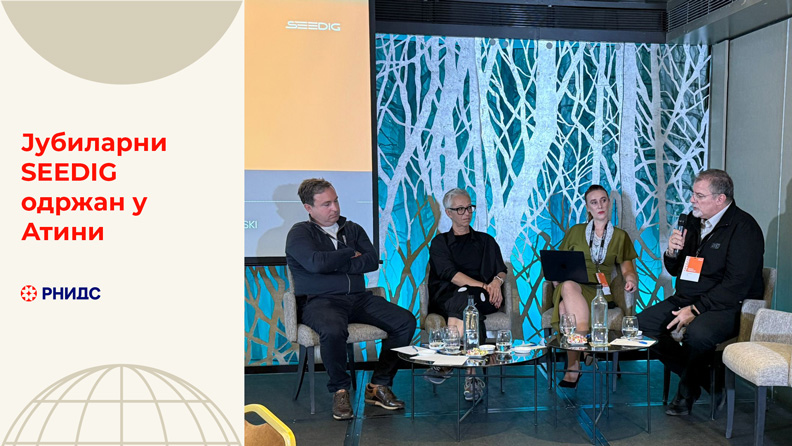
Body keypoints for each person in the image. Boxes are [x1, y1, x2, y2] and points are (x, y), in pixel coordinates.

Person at [285, 178, 417, 420]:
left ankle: (378, 385)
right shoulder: (300, 233)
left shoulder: (353, 229)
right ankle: (340, 390)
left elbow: (371, 260)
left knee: (405, 321)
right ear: (308, 208)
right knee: (332, 329)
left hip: (358, 298)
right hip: (320, 301)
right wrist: (347, 253)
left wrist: (335, 262)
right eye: (326, 204)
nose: (334, 208)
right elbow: (315, 264)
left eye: (336, 201)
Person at [638, 169, 764, 416]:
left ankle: (686, 392)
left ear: (720, 199)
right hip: (687, 297)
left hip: (726, 305)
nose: (692, 200)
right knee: (641, 327)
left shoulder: (744, 228)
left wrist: (695, 309)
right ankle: (706, 379)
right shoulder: (692, 221)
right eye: (693, 194)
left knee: (697, 334)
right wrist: (671, 252)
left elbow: (736, 284)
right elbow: (676, 270)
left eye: (699, 195)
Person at [552, 185, 638, 388]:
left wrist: (631, 280)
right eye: (594, 202)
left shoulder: (620, 236)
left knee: (565, 308)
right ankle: (583, 342)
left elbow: (627, 269)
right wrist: (556, 278)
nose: (600, 205)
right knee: (568, 286)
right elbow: (559, 262)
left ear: (609, 203)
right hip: (574, 285)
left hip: (600, 291)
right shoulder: (576, 231)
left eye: (603, 200)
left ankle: (574, 365)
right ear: (588, 208)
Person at [427, 188, 508, 400]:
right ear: (448, 213)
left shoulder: (486, 240)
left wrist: (497, 283)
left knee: (469, 300)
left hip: (485, 297)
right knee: (467, 301)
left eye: (469, 208)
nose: (467, 213)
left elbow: (501, 269)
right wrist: (483, 285)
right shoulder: (440, 243)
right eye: (460, 209)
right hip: (448, 296)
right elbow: (451, 275)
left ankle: (447, 360)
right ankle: (471, 377)